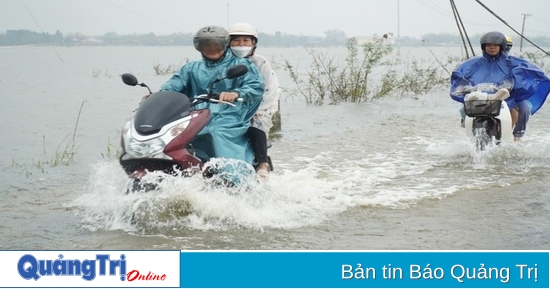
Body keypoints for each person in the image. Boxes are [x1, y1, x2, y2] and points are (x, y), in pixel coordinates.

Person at [160, 25, 264, 164]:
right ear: (198, 46)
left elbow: (256, 86)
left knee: (216, 131)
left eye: (216, 45)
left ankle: (233, 174)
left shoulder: (242, 64)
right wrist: (158, 97)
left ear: (225, 44)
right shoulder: (191, 68)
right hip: (195, 115)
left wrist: (235, 93)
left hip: (231, 115)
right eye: (205, 44)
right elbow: (172, 87)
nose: (211, 48)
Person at [451, 31, 550, 140]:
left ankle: (516, 136)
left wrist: (519, 85)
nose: (492, 48)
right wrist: (460, 87)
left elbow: (529, 71)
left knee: (523, 108)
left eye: (495, 45)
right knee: (465, 109)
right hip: (481, 96)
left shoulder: (511, 62)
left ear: (501, 46)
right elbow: (460, 75)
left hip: (507, 96)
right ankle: (468, 134)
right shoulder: (473, 63)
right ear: (484, 47)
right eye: (488, 45)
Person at [228, 22, 281, 178]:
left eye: (246, 41)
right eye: (236, 41)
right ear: (228, 43)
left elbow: (270, 89)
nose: (241, 44)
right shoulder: (223, 62)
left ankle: (262, 163)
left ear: (253, 44)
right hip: (229, 107)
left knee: (254, 126)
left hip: (259, 108)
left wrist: (257, 110)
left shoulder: (260, 62)